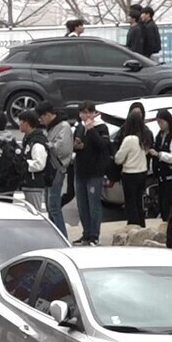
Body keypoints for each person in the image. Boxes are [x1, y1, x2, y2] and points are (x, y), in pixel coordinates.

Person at [72, 101, 112, 245]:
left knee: (93, 204)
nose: (86, 115)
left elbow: (103, 146)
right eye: (83, 112)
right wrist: (76, 146)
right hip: (80, 170)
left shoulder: (101, 127)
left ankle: (94, 235)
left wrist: (92, 130)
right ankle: (86, 233)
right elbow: (76, 146)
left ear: (94, 113)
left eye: (89, 112)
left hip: (95, 171)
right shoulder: (79, 127)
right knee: (82, 205)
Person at [38, 103, 73, 236]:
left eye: (41, 117)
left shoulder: (63, 126)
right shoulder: (51, 126)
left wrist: (47, 145)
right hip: (49, 169)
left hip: (57, 168)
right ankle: (55, 234)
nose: (40, 121)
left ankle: (61, 235)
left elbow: (62, 149)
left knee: (54, 206)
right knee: (48, 205)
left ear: (48, 114)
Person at [113, 108, 152, 227]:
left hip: (130, 173)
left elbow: (118, 159)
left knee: (131, 202)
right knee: (139, 201)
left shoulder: (129, 139)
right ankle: (141, 224)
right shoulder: (144, 137)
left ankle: (133, 224)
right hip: (142, 172)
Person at [148, 109, 172, 219]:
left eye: (162, 122)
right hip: (161, 177)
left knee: (171, 205)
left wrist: (159, 154)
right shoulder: (159, 135)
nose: (160, 125)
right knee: (163, 205)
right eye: (158, 123)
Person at [17, 110, 51, 215]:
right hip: (28, 182)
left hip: (34, 184)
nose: (19, 124)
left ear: (27, 123)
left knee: (34, 213)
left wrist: (24, 164)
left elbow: (39, 164)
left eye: (21, 121)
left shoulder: (37, 143)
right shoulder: (28, 139)